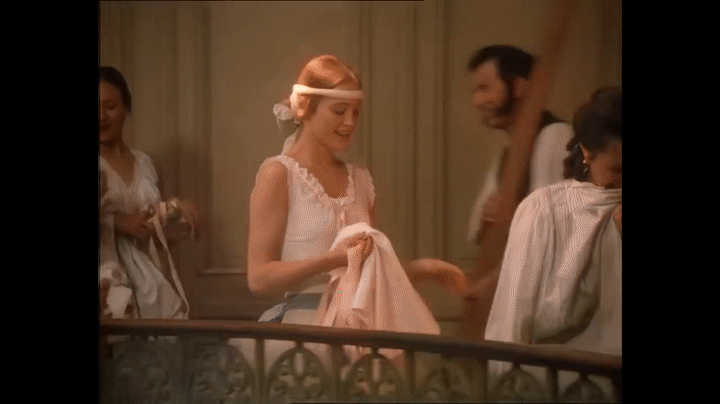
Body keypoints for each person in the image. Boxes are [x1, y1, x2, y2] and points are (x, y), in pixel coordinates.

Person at [485, 87, 621, 397]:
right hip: (556, 389)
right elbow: (518, 321)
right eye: (618, 170)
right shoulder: (545, 211)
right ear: (587, 153)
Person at [462, 0, 578, 340]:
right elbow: (476, 229)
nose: (477, 101)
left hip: (545, 306)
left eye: (485, 88)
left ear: (520, 87)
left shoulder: (555, 136)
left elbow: (550, 233)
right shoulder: (507, 154)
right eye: (475, 91)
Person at [99, 66, 201, 320]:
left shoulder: (147, 164)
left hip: (150, 279)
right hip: (106, 280)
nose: (101, 116)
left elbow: (158, 239)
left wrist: (176, 219)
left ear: (126, 109)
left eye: (110, 106)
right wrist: (116, 223)